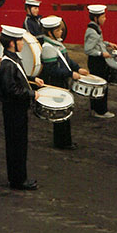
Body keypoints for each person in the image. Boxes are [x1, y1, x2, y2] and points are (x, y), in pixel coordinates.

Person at [0, 25, 44, 190]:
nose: (23, 44)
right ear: (11, 43)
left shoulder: (13, 59)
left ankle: (19, 177)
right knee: (16, 145)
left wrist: (31, 79)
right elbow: (11, 90)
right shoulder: (7, 64)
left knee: (19, 144)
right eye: (19, 41)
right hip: (13, 111)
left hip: (17, 110)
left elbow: (18, 79)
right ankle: (18, 180)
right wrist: (32, 94)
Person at [40, 15, 88, 150]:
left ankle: (66, 140)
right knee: (61, 113)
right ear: (50, 33)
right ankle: (61, 142)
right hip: (56, 83)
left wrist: (77, 68)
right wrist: (70, 73)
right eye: (58, 30)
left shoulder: (57, 44)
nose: (61, 32)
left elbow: (67, 60)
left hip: (62, 82)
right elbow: (51, 70)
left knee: (66, 112)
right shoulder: (48, 47)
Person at [83, 4, 116, 118]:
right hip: (97, 62)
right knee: (101, 85)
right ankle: (101, 110)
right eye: (103, 17)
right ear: (96, 18)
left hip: (97, 61)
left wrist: (108, 44)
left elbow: (99, 43)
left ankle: (95, 109)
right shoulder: (92, 31)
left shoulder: (95, 28)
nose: (105, 19)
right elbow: (88, 49)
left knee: (98, 85)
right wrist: (102, 54)